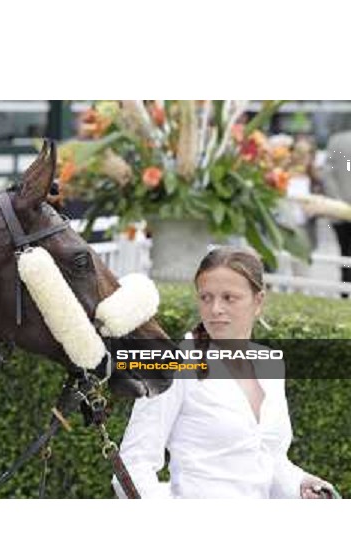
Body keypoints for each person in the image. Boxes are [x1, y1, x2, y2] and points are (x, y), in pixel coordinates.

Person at [113, 246, 335, 499]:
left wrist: (300, 484)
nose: (215, 308)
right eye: (206, 297)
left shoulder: (270, 365)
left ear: (258, 301)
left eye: (229, 298)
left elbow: (267, 458)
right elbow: (132, 466)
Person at [321, 130, 351, 294]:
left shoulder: (336, 141)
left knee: (344, 251)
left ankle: (345, 290)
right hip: (340, 210)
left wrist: (338, 200)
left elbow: (327, 174)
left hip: (339, 210)